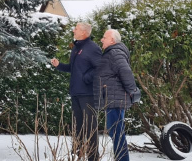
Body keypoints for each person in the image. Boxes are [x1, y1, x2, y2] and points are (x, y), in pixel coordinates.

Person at [51, 22, 102, 161]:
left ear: (84, 32)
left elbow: (100, 68)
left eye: (77, 29)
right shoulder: (76, 48)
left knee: (90, 127)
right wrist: (59, 65)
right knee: (77, 127)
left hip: (88, 94)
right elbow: (74, 68)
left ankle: (93, 157)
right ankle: (76, 155)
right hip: (76, 93)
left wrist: (86, 78)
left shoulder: (92, 48)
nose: (73, 30)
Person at [94, 29, 138, 161]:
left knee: (116, 133)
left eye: (104, 37)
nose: (101, 40)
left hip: (116, 100)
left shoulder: (114, 53)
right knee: (115, 132)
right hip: (112, 99)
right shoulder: (111, 53)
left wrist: (133, 92)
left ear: (112, 40)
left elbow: (125, 72)